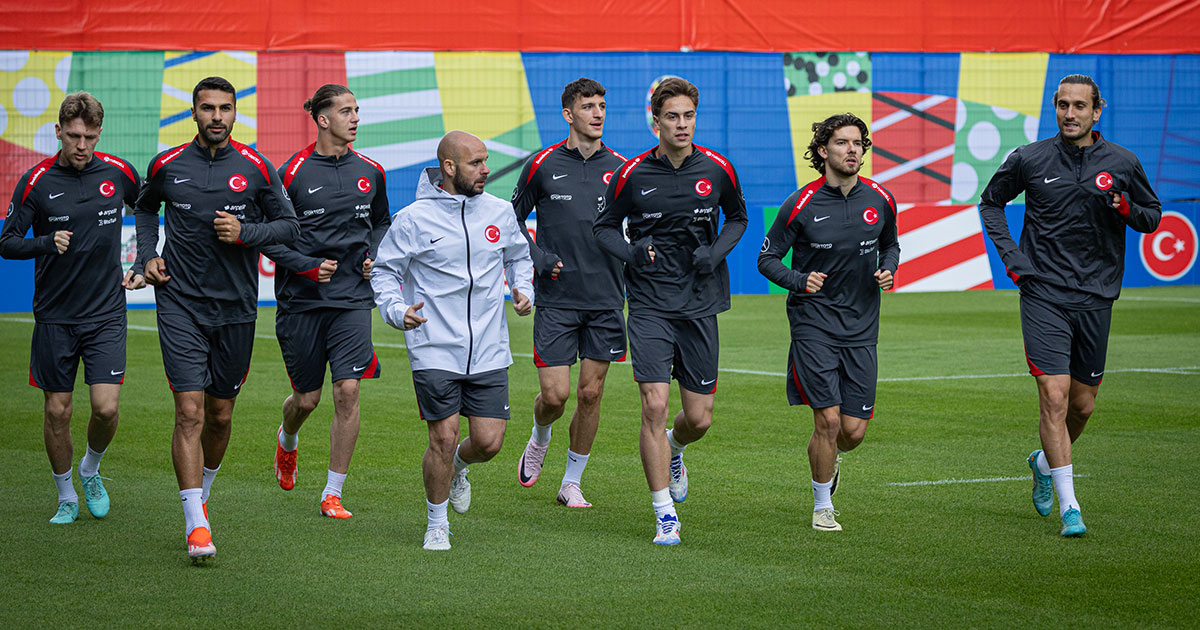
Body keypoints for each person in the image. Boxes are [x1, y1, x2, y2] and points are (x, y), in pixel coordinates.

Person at [979, 74, 1161, 537]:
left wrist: (1124, 208)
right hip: (1043, 293)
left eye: (1080, 106)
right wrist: (1014, 259)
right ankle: (1070, 506)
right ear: (1055, 108)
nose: (1070, 113)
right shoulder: (1030, 158)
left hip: (1097, 295)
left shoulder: (1122, 162)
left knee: (1082, 405)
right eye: (1063, 105)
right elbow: (991, 203)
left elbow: (1151, 217)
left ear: (1097, 111)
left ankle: (1043, 463)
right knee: (1054, 396)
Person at [134, 76, 299, 562]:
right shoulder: (167, 164)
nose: (217, 117)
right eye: (208, 108)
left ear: (235, 112)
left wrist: (246, 231)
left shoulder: (256, 167)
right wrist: (148, 254)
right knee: (190, 411)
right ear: (194, 113)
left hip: (236, 309)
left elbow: (289, 227)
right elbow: (145, 209)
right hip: (179, 300)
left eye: (225, 108)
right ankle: (195, 522)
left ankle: (201, 495)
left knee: (220, 414)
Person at [593, 77, 747, 545]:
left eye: (689, 116)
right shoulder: (632, 173)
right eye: (673, 117)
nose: (682, 125)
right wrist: (632, 253)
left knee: (698, 418)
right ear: (655, 121)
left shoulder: (719, 168)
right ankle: (664, 513)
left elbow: (738, 217)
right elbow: (602, 229)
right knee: (655, 405)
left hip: (700, 303)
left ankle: (676, 448)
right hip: (649, 304)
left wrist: (716, 252)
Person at [371, 130, 534, 551]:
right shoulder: (413, 218)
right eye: (476, 163)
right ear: (449, 168)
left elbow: (519, 256)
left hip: (489, 349)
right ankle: (437, 522)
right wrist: (395, 311)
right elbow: (385, 271)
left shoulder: (499, 211)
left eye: (485, 161)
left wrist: (523, 289)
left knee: (488, 442)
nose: (486, 170)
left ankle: (460, 466)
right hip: (433, 347)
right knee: (441, 437)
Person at [0, 92, 143, 525]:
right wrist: (46, 243)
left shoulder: (119, 173)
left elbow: (151, 212)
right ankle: (66, 495)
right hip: (55, 317)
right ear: (59, 132)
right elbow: (7, 241)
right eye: (74, 136)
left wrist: (142, 262)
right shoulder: (36, 181)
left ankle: (90, 470)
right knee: (57, 410)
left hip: (105, 314)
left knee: (105, 408)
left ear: (99, 134)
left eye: (90, 137)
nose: (82, 145)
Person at [757, 113, 900, 532]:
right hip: (812, 323)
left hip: (861, 326)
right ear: (823, 151)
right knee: (829, 420)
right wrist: (800, 281)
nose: (853, 150)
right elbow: (765, 260)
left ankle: (831, 458)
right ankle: (822, 506)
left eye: (858, 143)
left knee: (852, 432)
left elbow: (890, 244)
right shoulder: (800, 204)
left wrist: (888, 269)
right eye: (842, 143)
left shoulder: (881, 199)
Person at [264, 84, 390, 520]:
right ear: (321, 119)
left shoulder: (372, 171)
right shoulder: (291, 173)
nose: (355, 118)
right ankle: (287, 440)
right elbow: (268, 237)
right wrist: (304, 266)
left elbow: (381, 222)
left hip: (353, 298)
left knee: (348, 390)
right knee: (307, 399)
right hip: (301, 301)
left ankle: (332, 492)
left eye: (357, 110)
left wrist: (376, 253)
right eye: (345, 111)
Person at [511, 78, 628, 508]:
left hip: (605, 298)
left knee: (591, 394)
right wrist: (537, 256)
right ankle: (540, 435)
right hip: (557, 298)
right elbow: (510, 222)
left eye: (602, 105)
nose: (597, 113)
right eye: (588, 106)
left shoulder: (621, 168)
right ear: (568, 114)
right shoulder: (541, 164)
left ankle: (571, 482)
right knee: (557, 396)